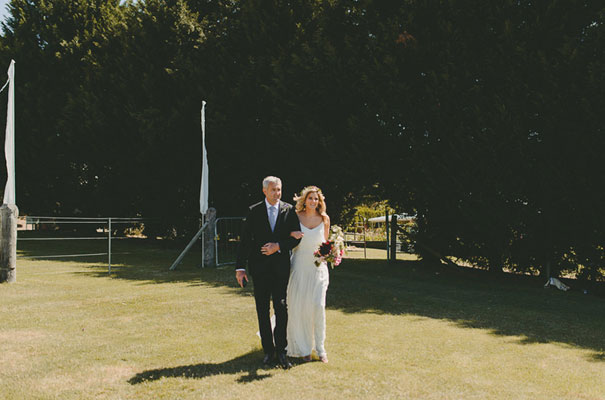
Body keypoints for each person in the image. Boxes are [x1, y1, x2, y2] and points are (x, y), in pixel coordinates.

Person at [235, 176, 301, 369]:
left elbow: (296, 237)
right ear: (264, 191)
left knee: (281, 307)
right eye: (273, 190)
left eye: (279, 189)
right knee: (262, 309)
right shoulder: (254, 211)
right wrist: (240, 268)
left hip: (280, 268)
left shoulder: (289, 210)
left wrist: (278, 246)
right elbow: (245, 241)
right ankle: (268, 352)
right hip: (260, 268)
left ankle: (282, 351)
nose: (277, 193)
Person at [286, 186, 330, 363]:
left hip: (318, 269)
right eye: (310, 198)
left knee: (318, 307)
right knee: (300, 308)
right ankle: (304, 348)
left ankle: (320, 349)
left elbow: (326, 244)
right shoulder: (295, 217)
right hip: (299, 266)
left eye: (316, 199)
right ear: (304, 200)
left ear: (320, 201)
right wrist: (291, 233)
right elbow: (284, 235)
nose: (313, 201)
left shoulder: (324, 219)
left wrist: (330, 254)